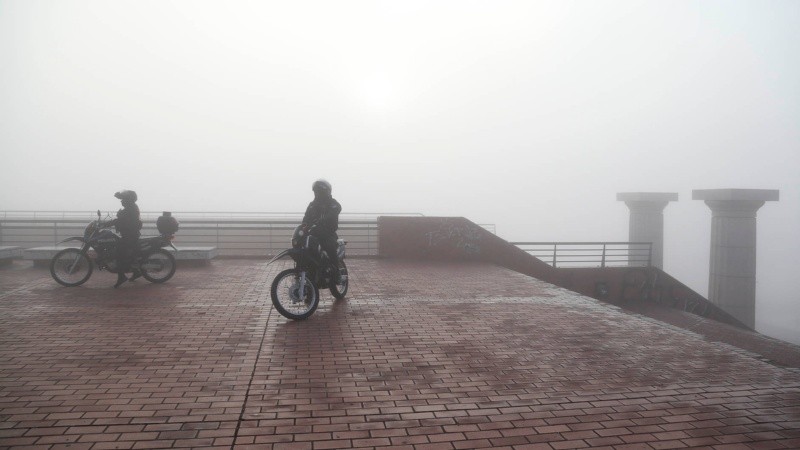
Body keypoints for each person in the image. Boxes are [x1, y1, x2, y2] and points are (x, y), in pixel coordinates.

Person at [302, 180, 342, 283]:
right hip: (314, 233)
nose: (318, 194)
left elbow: (335, 210)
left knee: (329, 246)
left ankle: (337, 273)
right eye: (316, 191)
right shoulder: (312, 205)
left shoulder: (333, 203)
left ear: (327, 191)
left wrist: (323, 219)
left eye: (320, 191)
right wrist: (303, 226)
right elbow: (306, 218)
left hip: (328, 233)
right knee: (303, 246)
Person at [103, 190, 142, 288]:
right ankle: (136, 272)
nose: (121, 201)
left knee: (119, 254)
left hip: (130, 236)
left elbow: (120, 220)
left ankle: (121, 276)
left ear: (128, 200)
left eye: (123, 199)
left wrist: (106, 224)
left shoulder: (130, 208)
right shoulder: (131, 207)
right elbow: (120, 220)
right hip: (128, 234)